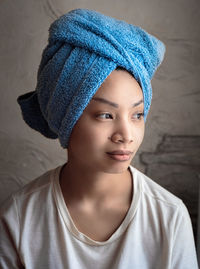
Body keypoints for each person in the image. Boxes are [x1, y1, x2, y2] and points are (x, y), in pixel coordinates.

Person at [0, 8, 198, 269]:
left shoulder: (169, 216)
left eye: (137, 115)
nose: (126, 135)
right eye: (106, 115)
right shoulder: (19, 218)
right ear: (65, 116)